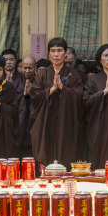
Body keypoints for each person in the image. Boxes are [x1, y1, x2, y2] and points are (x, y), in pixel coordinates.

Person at [30, 37, 84, 169]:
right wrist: (51, 90)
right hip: (46, 121)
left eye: (59, 50)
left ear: (66, 53)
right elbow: (35, 95)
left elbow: (80, 97)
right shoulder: (42, 74)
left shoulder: (74, 74)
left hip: (67, 122)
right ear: (49, 54)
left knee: (66, 152)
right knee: (46, 152)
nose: (56, 54)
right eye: (52, 51)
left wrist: (63, 89)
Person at [14, 55, 36, 158]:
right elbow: (12, 103)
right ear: (20, 68)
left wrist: (33, 94)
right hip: (20, 122)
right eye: (25, 68)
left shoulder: (40, 82)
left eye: (30, 68)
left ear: (35, 67)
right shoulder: (15, 84)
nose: (27, 71)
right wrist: (23, 95)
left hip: (34, 123)